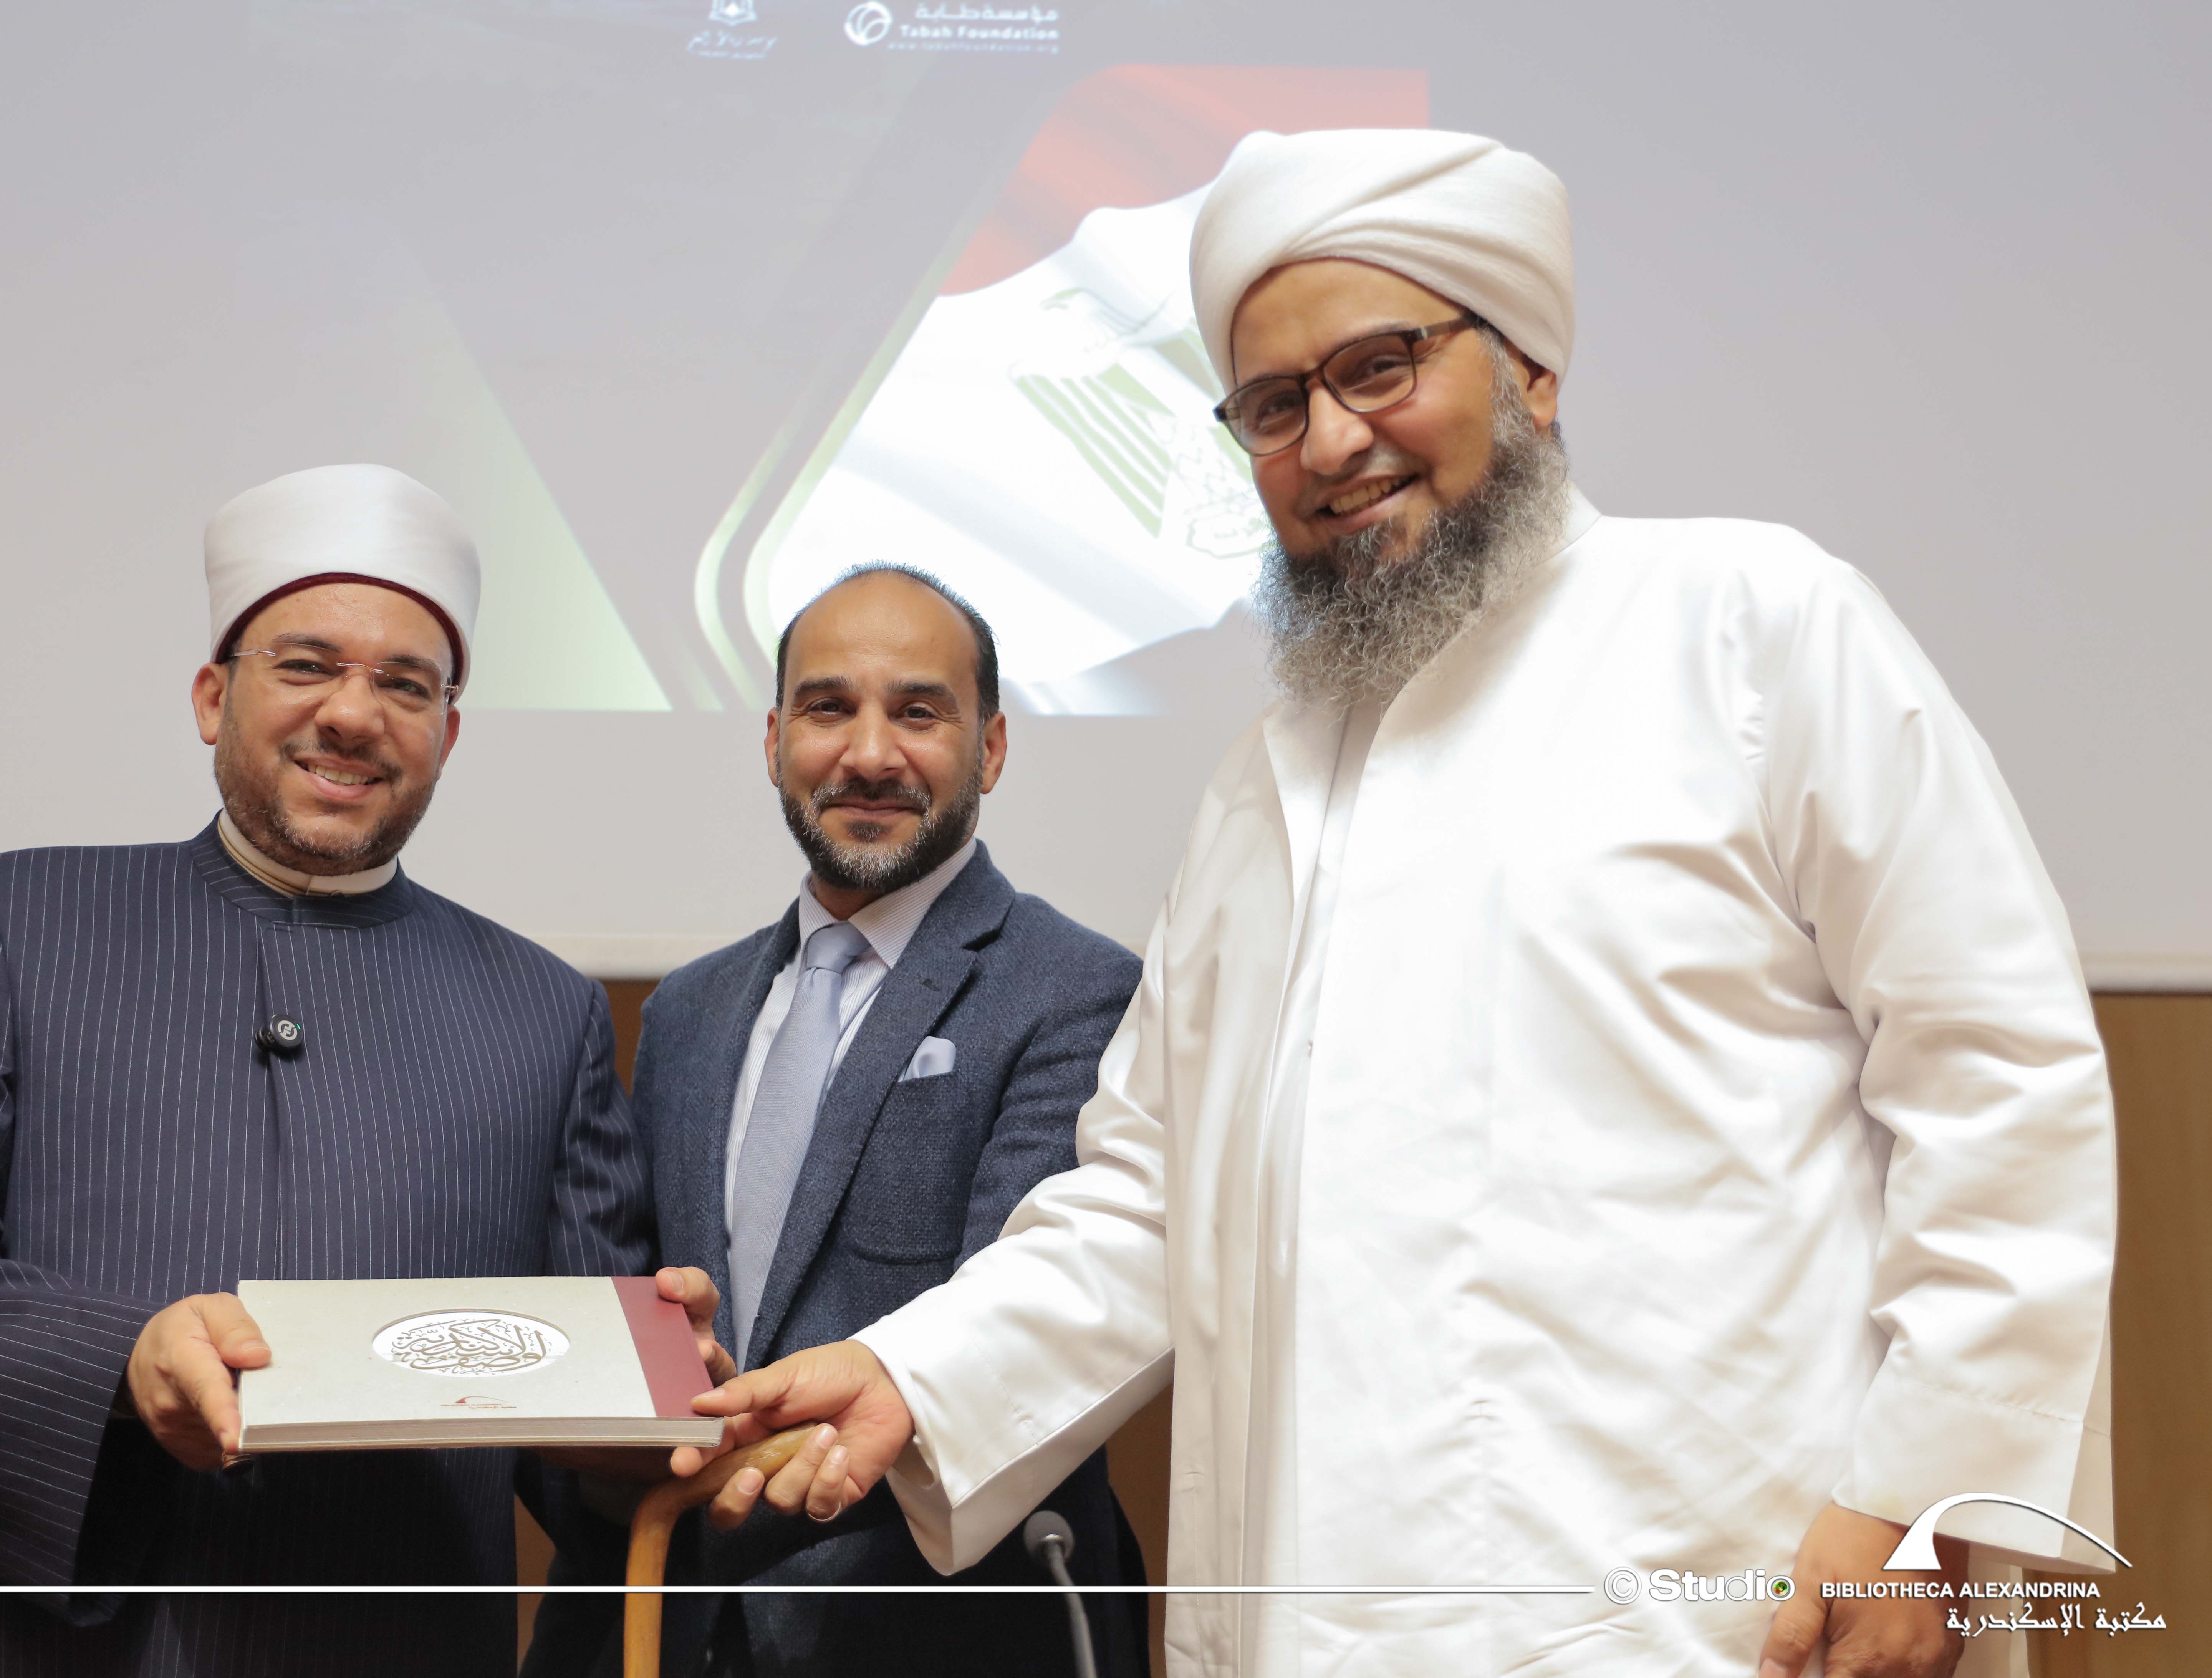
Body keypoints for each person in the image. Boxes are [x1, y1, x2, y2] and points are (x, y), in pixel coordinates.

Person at [679, 131, 2119, 1678]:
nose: (1328, 440)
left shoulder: (1751, 625)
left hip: (1703, 1613)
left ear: (1530, 372)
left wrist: (1919, 1502)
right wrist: (918, 1375)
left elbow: (1998, 1077)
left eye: (1378, 367)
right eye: (1272, 404)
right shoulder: (1263, 781)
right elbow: (1149, 1202)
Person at [0, 464, 685, 1677]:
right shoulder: (4, 921)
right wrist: (119, 1360)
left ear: (448, 735)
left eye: (405, 684)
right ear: (212, 696)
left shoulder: (542, 1011)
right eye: (306, 665)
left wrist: (652, 1413)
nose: (352, 714)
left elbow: (576, 1438)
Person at [530, 566, 1149, 1676]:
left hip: (928, 1639)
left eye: (918, 712)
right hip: (671, 1631)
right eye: (828, 708)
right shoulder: (687, 1011)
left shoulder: (1080, 992)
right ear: (775, 742)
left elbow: (1020, 1329)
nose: (869, 754)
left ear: (991, 747)